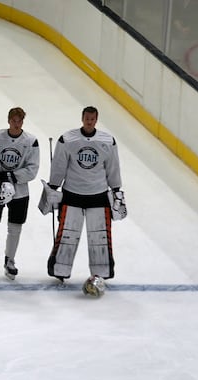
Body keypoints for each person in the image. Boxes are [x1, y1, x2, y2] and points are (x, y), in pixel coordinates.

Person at [38, 106, 124, 290]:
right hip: (72, 194)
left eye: (92, 119)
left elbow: (113, 167)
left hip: (98, 195)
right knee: (67, 235)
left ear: (96, 119)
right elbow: (60, 165)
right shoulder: (68, 139)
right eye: (87, 118)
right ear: (82, 118)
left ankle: (101, 273)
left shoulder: (108, 141)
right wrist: (53, 185)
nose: (89, 121)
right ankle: (60, 270)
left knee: (100, 237)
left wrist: (116, 189)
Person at [0, 106, 41, 279]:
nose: (16, 123)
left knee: (15, 228)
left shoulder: (31, 141)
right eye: (13, 120)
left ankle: (10, 261)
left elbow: (32, 170)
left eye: (19, 121)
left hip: (19, 192)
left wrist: (9, 175)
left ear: (22, 122)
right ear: (8, 120)